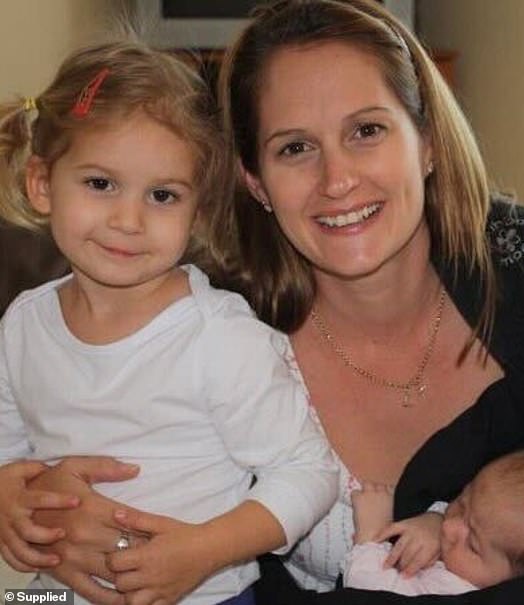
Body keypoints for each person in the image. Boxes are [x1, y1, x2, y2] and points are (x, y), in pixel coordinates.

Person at [0, 0, 524, 604]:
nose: (337, 180)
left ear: (428, 140)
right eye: (294, 148)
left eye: (366, 130)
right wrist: (37, 515)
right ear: (254, 181)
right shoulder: (225, 322)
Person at [0, 39, 338, 605]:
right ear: (41, 185)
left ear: (197, 211)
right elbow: (7, 450)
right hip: (49, 594)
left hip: (208, 596)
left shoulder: (220, 337)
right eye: (100, 183)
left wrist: (205, 550)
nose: (128, 220)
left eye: (162, 195)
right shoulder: (23, 324)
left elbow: (309, 472)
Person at [344, 448, 524, 595]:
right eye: (462, 503)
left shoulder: (455, 591)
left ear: (514, 584)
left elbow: (369, 593)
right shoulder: (473, 561)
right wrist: (433, 519)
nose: (450, 527)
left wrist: (370, 533)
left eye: (473, 545)